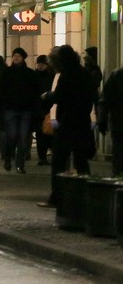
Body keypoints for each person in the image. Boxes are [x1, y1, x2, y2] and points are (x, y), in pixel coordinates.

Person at [38, 45, 96, 209]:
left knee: (59, 161)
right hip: (82, 122)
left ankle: (57, 196)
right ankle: (87, 195)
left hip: (67, 123)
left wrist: (47, 96)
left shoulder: (66, 76)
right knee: (81, 160)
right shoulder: (85, 74)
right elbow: (92, 97)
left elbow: (59, 97)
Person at [0, 47, 38, 173]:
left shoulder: (30, 74)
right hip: (10, 109)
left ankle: (20, 164)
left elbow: (34, 92)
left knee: (23, 138)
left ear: (23, 57)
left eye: (18, 56)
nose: (16, 58)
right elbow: (1, 91)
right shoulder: (7, 72)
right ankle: (8, 159)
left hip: (25, 110)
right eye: (14, 55)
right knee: (12, 136)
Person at [101, 63, 123, 177]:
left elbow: (105, 100)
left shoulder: (117, 75)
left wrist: (102, 119)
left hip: (119, 121)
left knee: (119, 152)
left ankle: (118, 176)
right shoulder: (117, 75)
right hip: (119, 122)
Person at [33, 55, 55, 165]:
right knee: (40, 134)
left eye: (42, 63)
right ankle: (42, 157)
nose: (40, 65)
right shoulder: (34, 75)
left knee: (48, 132)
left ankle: (45, 155)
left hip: (49, 108)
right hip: (38, 109)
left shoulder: (51, 75)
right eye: (39, 63)